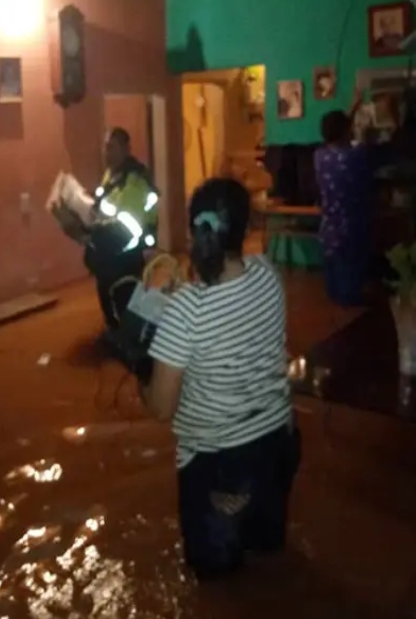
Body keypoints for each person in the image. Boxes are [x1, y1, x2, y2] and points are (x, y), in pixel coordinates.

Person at [142, 177, 299, 579]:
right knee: (267, 553)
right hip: (279, 447)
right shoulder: (269, 274)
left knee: (217, 580)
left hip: (222, 470)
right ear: (246, 230)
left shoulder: (183, 313)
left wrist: (141, 363)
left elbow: (161, 408)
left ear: (194, 230)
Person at [85, 128, 160, 331]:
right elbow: (106, 205)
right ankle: (115, 329)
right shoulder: (111, 175)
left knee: (127, 296)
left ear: (126, 149)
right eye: (105, 147)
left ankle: (141, 335)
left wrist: (102, 226)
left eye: (112, 147)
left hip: (128, 248)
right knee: (106, 289)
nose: (106, 153)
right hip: (111, 245)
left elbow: (131, 220)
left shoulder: (135, 179)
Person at [315, 82, 382, 306]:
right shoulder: (355, 156)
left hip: (329, 227)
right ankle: (349, 315)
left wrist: (353, 108)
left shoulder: (320, 155)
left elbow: (342, 137)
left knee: (334, 273)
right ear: (346, 131)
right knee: (350, 281)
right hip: (351, 228)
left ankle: (338, 306)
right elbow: (368, 150)